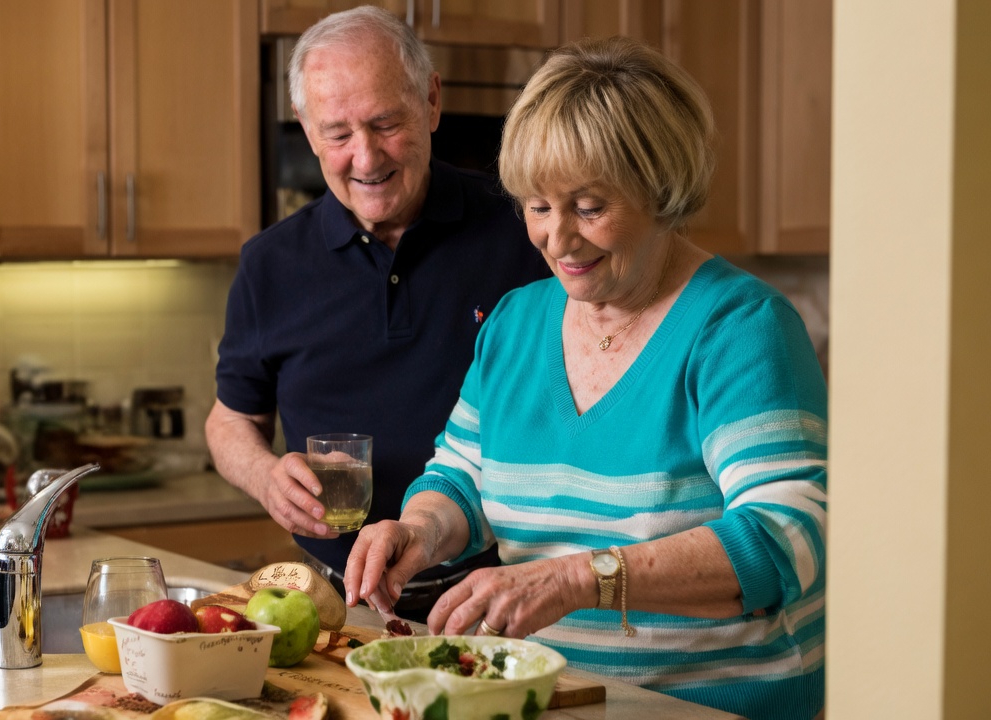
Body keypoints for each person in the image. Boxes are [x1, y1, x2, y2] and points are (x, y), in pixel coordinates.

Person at [342, 37, 826, 720]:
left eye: (590, 207)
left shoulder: (739, 328)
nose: (558, 239)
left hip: (707, 709)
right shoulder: (515, 322)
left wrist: (582, 578)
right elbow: (462, 477)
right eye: (537, 206)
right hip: (549, 700)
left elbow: (787, 538)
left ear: (662, 190)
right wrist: (419, 531)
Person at [206, 6, 550, 621]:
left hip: (498, 594)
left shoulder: (526, 230)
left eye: (386, 124)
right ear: (307, 129)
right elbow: (230, 420)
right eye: (338, 134)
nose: (365, 159)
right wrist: (265, 477)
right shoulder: (269, 264)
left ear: (431, 101)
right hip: (333, 600)